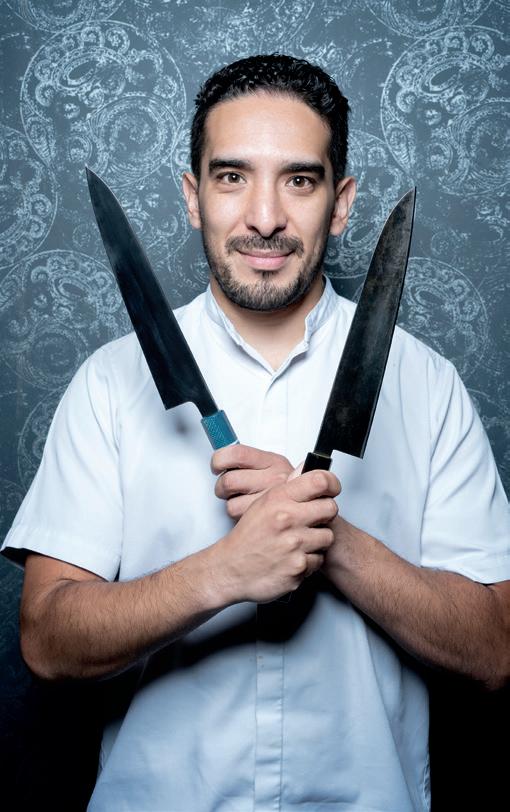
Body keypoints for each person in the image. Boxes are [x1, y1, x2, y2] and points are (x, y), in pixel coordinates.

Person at [2, 54, 510, 812]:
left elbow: (496, 649)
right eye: (232, 176)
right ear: (193, 197)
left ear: (341, 204)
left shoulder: (424, 382)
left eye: (299, 180)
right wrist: (223, 572)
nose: (265, 217)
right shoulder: (112, 381)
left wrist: (331, 541)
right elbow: (46, 641)